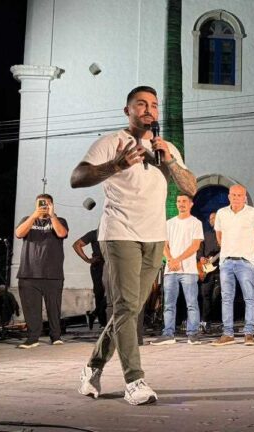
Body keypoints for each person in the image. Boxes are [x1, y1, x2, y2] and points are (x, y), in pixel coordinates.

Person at [71, 85, 197, 405]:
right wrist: (117, 165)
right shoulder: (112, 142)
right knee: (126, 306)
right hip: (119, 233)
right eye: (140, 104)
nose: (148, 110)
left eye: (153, 105)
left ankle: (92, 367)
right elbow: (78, 177)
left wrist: (169, 161)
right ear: (127, 110)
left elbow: (191, 187)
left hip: (155, 236)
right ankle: (134, 381)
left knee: (131, 308)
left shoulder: (164, 148)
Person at [211, 184, 254, 346]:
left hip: (245, 261)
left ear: (244, 197)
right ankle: (228, 334)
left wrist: (250, 254)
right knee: (226, 298)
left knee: (249, 297)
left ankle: (249, 333)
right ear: (229, 196)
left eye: (239, 195)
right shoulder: (221, 213)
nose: (236, 198)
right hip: (226, 261)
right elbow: (219, 236)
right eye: (233, 195)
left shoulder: (252, 213)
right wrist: (227, 250)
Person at [14, 194, 69, 349]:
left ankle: (56, 336)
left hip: (53, 274)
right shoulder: (28, 219)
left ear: (52, 204)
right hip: (28, 273)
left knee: (53, 307)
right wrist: (34, 215)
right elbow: (19, 234)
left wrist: (51, 216)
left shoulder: (60, 220)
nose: (43, 206)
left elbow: (61, 233)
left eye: (46, 204)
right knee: (31, 309)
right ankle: (32, 338)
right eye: (40, 204)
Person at [151, 194, 204, 346]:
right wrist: (170, 260)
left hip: (188, 270)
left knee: (191, 303)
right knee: (168, 304)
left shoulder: (196, 223)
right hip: (171, 270)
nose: (181, 204)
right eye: (179, 201)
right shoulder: (168, 223)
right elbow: (163, 245)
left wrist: (178, 260)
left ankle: (192, 334)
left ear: (191, 204)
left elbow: (195, 246)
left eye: (184, 201)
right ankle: (168, 334)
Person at [73, 229, 107, 329]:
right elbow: (76, 245)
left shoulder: (116, 231)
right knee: (99, 293)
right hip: (98, 266)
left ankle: (94, 314)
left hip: (112, 265)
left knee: (113, 293)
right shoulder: (94, 233)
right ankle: (102, 322)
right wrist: (87, 259)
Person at [198, 212, 220, 332]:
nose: (212, 220)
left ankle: (220, 321)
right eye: (211, 219)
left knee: (220, 295)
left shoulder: (224, 235)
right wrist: (201, 257)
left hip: (221, 268)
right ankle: (205, 321)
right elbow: (199, 249)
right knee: (205, 295)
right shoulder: (205, 235)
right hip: (207, 269)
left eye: (215, 218)